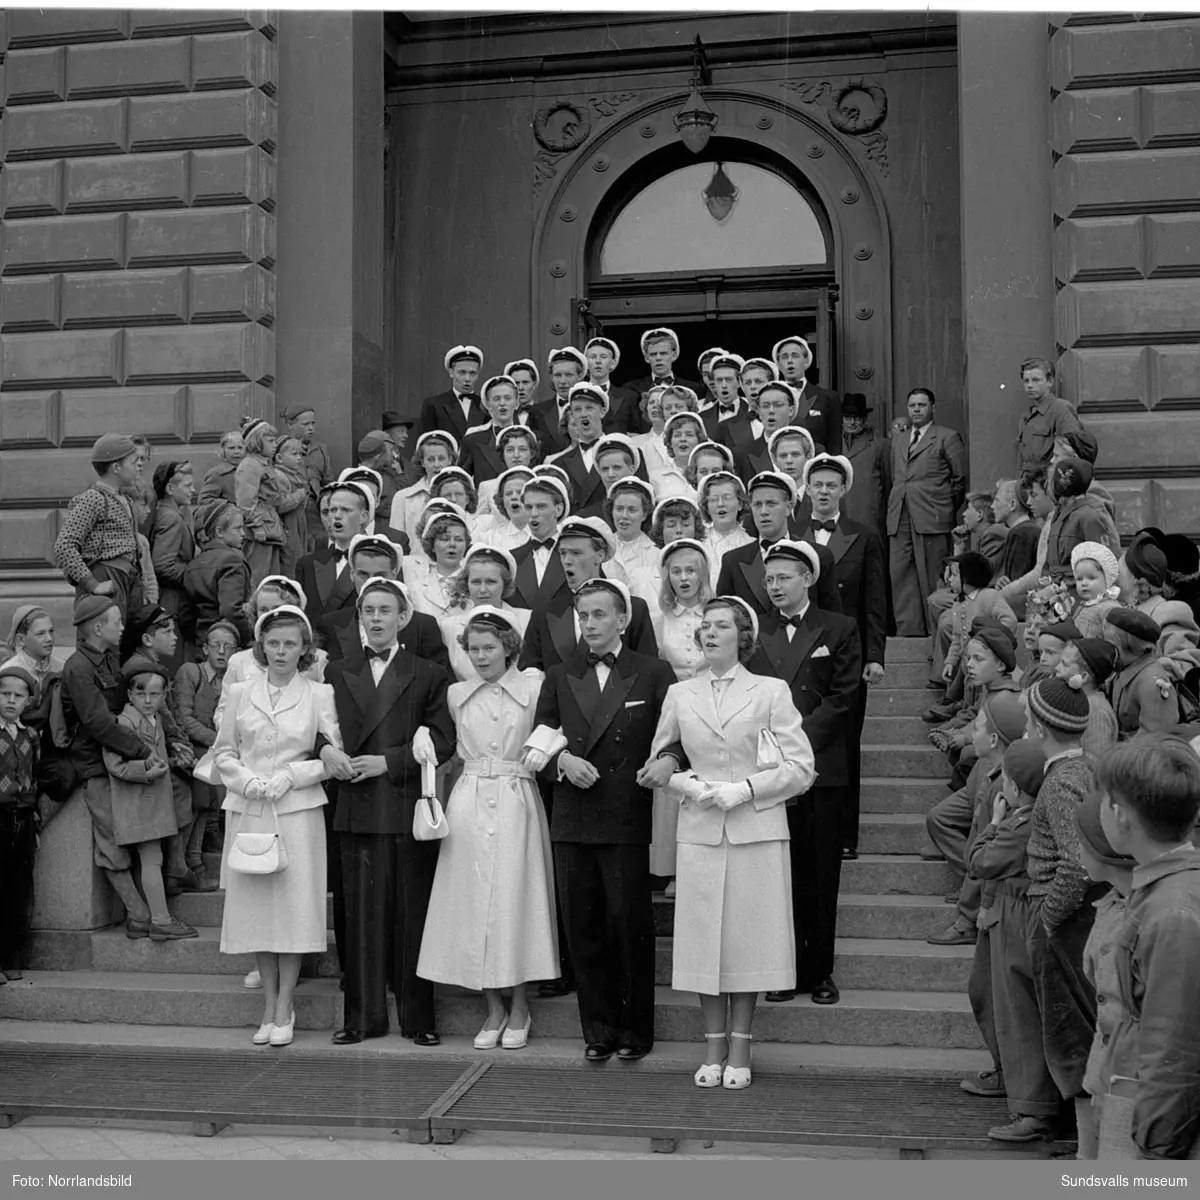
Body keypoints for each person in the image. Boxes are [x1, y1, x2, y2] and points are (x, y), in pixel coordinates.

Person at [645, 595, 815, 1087]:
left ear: (744, 636)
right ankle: (712, 1045)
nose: (711, 632)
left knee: (747, 940)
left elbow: (801, 768)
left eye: (722, 625)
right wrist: (692, 786)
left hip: (756, 829)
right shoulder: (681, 695)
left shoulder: (770, 691)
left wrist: (745, 790)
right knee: (704, 941)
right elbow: (660, 762)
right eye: (705, 625)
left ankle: (741, 1045)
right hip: (700, 828)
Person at [525, 578, 677, 1062]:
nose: (589, 624)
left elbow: (676, 736)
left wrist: (668, 760)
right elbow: (536, 746)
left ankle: (635, 1032)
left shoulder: (653, 672)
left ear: (622, 619)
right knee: (583, 926)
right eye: (583, 616)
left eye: (599, 615)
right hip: (573, 817)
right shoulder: (557, 674)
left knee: (628, 924)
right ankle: (597, 1030)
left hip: (625, 814)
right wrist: (561, 761)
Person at [417, 607, 557, 1048]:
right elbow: (447, 744)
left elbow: (555, 729)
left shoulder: (533, 689)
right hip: (470, 799)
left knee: (513, 902)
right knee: (475, 902)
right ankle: (492, 1007)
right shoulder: (458, 693)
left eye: (489, 648)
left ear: (508, 648)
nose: (480, 657)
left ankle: (519, 1006)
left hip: (516, 795)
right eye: (473, 649)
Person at [323, 579, 454, 1046]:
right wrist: (325, 752)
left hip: (403, 805)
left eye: (386, 611)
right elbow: (319, 727)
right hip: (355, 806)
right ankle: (362, 1019)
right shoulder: (337, 671)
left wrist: (390, 760)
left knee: (412, 914)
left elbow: (443, 740)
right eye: (368, 611)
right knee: (359, 917)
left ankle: (420, 1019)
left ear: (403, 618)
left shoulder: (428, 673)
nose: (376, 619)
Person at [213, 605, 344, 1047]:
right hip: (249, 808)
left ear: (305, 648)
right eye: (273, 643)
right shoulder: (239, 691)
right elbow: (223, 751)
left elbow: (331, 756)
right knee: (256, 912)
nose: (281, 652)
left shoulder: (319, 694)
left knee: (294, 909)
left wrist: (294, 774)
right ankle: (267, 1005)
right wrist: (245, 779)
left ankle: (285, 1003)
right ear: (260, 646)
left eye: (290, 644)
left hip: (298, 810)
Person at [749, 541, 860, 1005]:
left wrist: (795, 741)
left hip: (820, 766)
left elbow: (845, 696)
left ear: (807, 579)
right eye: (769, 579)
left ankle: (820, 972)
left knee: (821, 873)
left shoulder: (839, 628)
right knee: (779, 873)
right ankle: (783, 968)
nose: (774, 587)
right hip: (771, 767)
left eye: (783, 578)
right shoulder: (753, 631)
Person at [1008, 675, 1104, 1144]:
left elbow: (1077, 865)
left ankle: (1090, 1149)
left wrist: (1047, 919)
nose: (1024, 720)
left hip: (1062, 920)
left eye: (1029, 713)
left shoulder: (1063, 781)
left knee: (1072, 1034)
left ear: (1042, 727)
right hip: (1070, 918)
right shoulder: (1081, 769)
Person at [1096, 735, 1200, 1160]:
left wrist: (1154, 1152)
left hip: (1154, 1123)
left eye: (1103, 799)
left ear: (1120, 817)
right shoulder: (1165, 892)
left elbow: (1172, 1046)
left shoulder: (1172, 913)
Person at [961, 738, 1053, 1130]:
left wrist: (993, 823)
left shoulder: (1019, 825)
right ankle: (1009, 1076)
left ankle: (1032, 1106)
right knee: (986, 994)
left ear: (1013, 788)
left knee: (1017, 1010)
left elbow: (980, 861)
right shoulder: (1023, 818)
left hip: (1017, 918)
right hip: (1002, 909)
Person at [801, 453, 887, 858]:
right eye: (817, 484)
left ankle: (844, 836)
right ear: (806, 488)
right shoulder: (793, 536)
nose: (823, 491)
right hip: (799, 651)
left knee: (845, 741)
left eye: (831, 485)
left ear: (843, 490)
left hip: (847, 653)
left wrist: (875, 655)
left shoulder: (864, 536)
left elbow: (874, 600)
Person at [60, 596, 156, 931]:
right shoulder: (79, 667)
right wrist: (142, 751)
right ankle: (139, 916)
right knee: (111, 841)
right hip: (95, 766)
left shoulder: (107, 659)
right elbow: (99, 723)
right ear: (98, 627)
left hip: (115, 759)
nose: (121, 627)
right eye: (116, 621)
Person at [103, 659, 197, 942]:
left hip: (153, 802)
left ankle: (153, 919)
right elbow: (115, 764)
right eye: (141, 693)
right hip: (138, 803)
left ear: (164, 694)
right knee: (152, 858)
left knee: (153, 858)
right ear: (130, 695)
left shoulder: (154, 721)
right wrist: (145, 771)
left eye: (154, 694)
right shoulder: (123, 722)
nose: (147, 700)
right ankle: (160, 920)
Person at [926, 690, 1027, 947]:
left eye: (978, 729)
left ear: (993, 740)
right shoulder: (992, 771)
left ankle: (966, 920)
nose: (972, 736)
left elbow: (992, 858)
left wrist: (984, 905)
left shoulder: (1002, 787)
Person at [1072, 788, 1136, 1159]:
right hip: (1106, 1068)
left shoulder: (1155, 914)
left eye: (1081, 840)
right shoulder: (1110, 902)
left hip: (1138, 1083)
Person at [519, 515, 658, 671]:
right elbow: (529, 669)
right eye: (563, 553)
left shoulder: (633, 608)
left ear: (600, 556)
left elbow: (649, 672)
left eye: (576, 553)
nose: (567, 560)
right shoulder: (544, 612)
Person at [885, 388, 968, 636]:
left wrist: (942, 508)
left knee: (933, 574)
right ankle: (909, 631)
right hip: (900, 513)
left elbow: (959, 480)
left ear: (933, 407)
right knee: (901, 572)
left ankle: (937, 631)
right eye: (912, 405)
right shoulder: (899, 439)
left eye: (922, 405)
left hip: (932, 514)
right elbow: (896, 476)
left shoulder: (947, 437)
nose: (917, 410)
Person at [715, 471, 840, 619]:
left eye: (771, 504)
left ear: (788, 508)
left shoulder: (818, 555)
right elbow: (724, 618)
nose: (763, 512)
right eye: (757, 505)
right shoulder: (733, 561)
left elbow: (833, 619)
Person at [172, 620, 238, 885]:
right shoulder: (191, 672)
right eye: (216, 646)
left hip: (217, 752)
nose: (221, 652)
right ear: (205, 649)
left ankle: (202, 848)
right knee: (202, 795)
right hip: (191, 747)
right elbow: (184, 718)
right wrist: (221, 741)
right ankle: (191, 861)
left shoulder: (234, 682)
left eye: (229, 647)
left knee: (212, 795)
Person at [54, 433, 145, 618]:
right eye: (134, 462)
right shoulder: (94, 498)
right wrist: (92, 584)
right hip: (106, 577)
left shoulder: (125, 498)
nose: (139, 467)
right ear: (116, 467)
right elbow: (64, 546)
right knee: (103, 641)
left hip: (128, 579)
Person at [0, 663, 40, 984]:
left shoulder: (31, 736)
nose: (11, 700)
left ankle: (10, 955)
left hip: (23, 818)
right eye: (4, 694)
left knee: (18, 889)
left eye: (18, 695)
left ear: (28, 701)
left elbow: (34, 775)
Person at [440, 545, 531, 681]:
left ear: (505, 584)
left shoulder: (528, 620)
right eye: (476, 582)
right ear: (466, 584)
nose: (483, 589)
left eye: (491, 582)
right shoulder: (449, 627)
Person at [296, 481, 373, 637]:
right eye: (332, 510)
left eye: (345, 510)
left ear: (364, 516)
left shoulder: (377, 563)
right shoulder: (307, 564)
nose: (337, 515)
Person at [182, 500, 250, 646]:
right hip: (228, 643)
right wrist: (248, 637)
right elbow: (231, 610)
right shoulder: (231, 561)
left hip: (203, 644)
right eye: (237, 529)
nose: (243, 534)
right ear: (219, 532)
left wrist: (199, 640)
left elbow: (185, 616)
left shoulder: (192, 565)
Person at [149, 460, 196, 667]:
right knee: (171, 663)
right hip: (170, 602)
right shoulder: (171, 519)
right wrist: (196, 574)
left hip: (170, 600)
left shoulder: (169, 514)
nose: (193, 490)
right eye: (187, 486)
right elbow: (163, 565)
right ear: (169, 488)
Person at [1106, 607, 1179, 737]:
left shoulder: (1152, 684)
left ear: (1129, 644)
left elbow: (1155, 738)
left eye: (1111, 643)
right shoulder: (1124, 667)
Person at [1043, 458, 1114, 583]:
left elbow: (1103, 564)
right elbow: (1049, 565)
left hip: (1079, 592)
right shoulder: (1058, 517)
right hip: (1056, 593)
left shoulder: (1089, 517)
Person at [233, 419, 285, 589]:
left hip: (270, 528)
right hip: (259, 532)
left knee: (271, 579)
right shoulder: (249, 466)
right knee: (258, 580)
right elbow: (246, 503)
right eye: (269, 441)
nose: (274, 445)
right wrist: (258, 527)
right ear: (256, 442)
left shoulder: (262, 463)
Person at [509, 476, 572, 611]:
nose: (534, 513)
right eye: (528, 507)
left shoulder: (578, 555)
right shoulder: (512, 560)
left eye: (541, 506)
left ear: (558, 509)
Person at [771, 335, 842, 455]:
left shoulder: (827, 398)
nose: (789, 361)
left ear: (806, 360)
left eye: (795, 356)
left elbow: (834, 444)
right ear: (778, 364)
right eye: (784, 357)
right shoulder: (770, 399)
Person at [281, 404, 334, 550]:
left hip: (317, 510)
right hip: (293, 509)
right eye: (305, 424)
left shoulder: (321, 449)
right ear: (290, 425)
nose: (311, 428)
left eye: (313, 423)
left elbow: (329, 480)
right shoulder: (280, 449)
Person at [390, 431, 460, 543]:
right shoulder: (403, 498)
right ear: (422, 462)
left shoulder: (461, 495)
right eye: (431, 459)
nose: (436, 465)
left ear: (450, 460)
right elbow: (396, 540)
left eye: (441, 458)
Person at [458, 374, 527, 484]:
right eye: (497, 399)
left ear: (517, 403)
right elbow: (461, 481)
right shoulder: (472, 440)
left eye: (508, 398)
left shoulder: (530, 438)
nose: (502, 403)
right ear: (488, 405)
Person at [403, 508, 471, 620]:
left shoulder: (474, 584)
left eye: (459, 540)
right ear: (432, 545)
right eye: (445, 539)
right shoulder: (414, 588)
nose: (452, 544)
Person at [1057, 638, 1119, 759]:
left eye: (1064, 664)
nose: (1057, 668)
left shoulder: (1094, 711)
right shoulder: (1082, 703)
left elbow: (1095, 761)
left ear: (1084, 676)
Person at [1016, 357, 1082, 471]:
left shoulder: (1061, 409)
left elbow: (1070, 453)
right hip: (1029, 483)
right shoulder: (1027, 416)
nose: (1030, 385)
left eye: (1036, 380)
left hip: (1049, 482)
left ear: (1050, 381)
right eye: (1026, 380)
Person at [605, 477, 659, 602]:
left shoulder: (656, 552)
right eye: (619, 509)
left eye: (632, 510)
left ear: (644, 514)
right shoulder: (599, 548)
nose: (624, 516)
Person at [527, 346, 587, 457]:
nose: (562, 381)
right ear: (552, 378)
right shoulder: (537, 412)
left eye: (568, 375)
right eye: (558, 375)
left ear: (579, 376)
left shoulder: (592, 410)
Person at [418, 344, 486, 442]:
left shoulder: (485, 405)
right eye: (462, 372)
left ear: (478, 375)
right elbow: (424, 443)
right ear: (451, 372)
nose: (467, 379)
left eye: (472, 373)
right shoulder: (434, 405)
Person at [699, 471, 753, 588]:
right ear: (707, 507)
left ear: (740, 504)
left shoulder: (751, 544)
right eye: (713, 499)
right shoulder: (698, 544)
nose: (720, 504)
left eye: (727, 498)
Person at [840, 393, 884, 533]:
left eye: (857, 418)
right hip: (838, 513)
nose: (852, 422)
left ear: (864, 419)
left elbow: (888, 483)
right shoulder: (832, 443)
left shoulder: (880, 445)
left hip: (868, 515)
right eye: (848, 418)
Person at [624, 327, 702, 404]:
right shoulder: (632, 389)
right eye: (653, 354)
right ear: (647, 358)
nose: (658, 358)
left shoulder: (692, 388)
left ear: (673, 355)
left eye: (663, 353)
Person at [584, 335, 641, 435]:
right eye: (593, 357)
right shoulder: (576, 395)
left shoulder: (629, 397)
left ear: (613, 363)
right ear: (586, 363)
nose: (598, 361)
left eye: (603, 357)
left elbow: (635, 433)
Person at [3, 606, 63, 698]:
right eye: (40, 634)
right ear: (21, 639)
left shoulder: (62, 668)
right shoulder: (8, 672)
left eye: (51, 631)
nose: (49, 638)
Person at [272, 436, 310, 577]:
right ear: (279, 458)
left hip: (299, 524)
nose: (299, 458)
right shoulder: (279, 476)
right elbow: (280, 504)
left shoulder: (296, 475)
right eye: (294, 454)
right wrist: (299, 495)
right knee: (292, 560)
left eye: (300, 454)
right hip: (288, 526)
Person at [702, 354, 755, 454]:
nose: (724, 385)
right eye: (719, 380)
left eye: (729, 380)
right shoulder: (702, 417)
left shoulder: (753, 412)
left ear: (739, 383)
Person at [473, 464, 535, 550]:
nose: (513, 497)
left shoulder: (550, 534)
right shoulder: (488, 540)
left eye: (520, 492)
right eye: (508, 493)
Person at [1069, 541, 1121, 639]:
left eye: (1091, 578)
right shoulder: (1082, 604)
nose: (1084, 583)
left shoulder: (1109, 608)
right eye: (1079, 579)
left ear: (1106, 580)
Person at [198, 430, 245, 505]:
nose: (236, 452)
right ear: (223, 451)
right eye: (231, 448)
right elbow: (204, 500)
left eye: (240, 448)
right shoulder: (217, 474)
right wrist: (229, 505)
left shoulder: (251, 470)